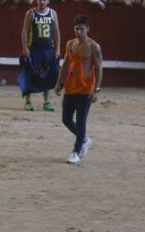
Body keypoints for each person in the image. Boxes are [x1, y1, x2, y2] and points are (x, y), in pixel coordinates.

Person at [55, 15, 102, 165]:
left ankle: (75, 152)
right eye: (76, 29)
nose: (78, 32)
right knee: (66, 119)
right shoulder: (70, 44)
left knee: (81, 122)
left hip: (86, 88)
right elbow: (66, 65)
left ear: (88, 29)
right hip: (70, 86)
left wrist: (96, 89)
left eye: (82, 29)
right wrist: (59, 83)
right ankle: (85, 140)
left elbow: (100, 68)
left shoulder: (94, 46)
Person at [19, 0, 61, 111]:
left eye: (44, 0)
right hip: (33, 50)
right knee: (29, 73)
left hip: (48, 50)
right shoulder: (30, 13)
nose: (41, 2)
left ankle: (46, 101)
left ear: (48, 1)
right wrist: (25, 47)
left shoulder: (53, 13)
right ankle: (28, 101)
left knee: (48, 74)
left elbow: (56, 32)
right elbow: (25, 31)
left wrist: (57, 49)